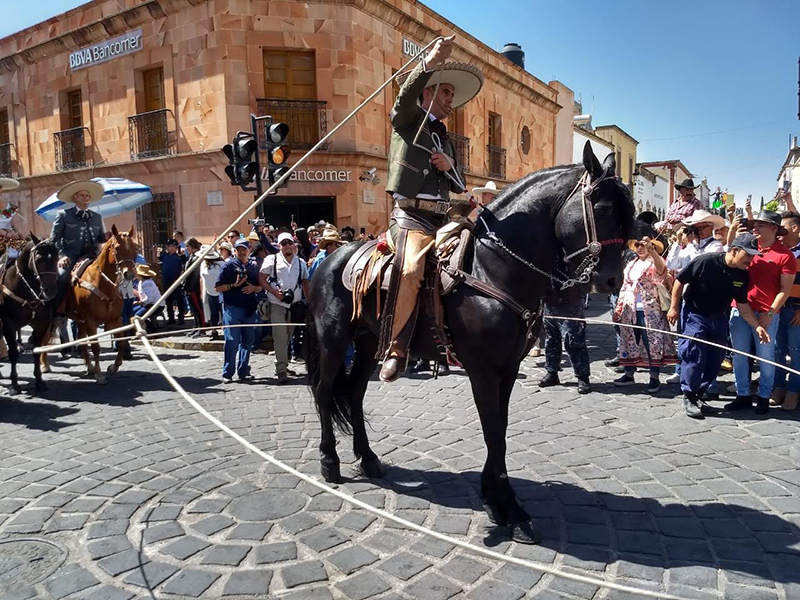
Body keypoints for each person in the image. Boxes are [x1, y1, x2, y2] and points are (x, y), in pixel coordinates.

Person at [378, 35, 483, 382]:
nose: (451, 99)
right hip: (411, 216)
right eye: (444, 92)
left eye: (452, 94)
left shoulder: (445, 136)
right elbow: (402, 100)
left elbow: (457, 183)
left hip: (443, 217)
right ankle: (395, 349)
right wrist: (431, 62)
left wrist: (447, 163)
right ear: (427, 93)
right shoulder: (408, 121)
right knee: (409, 270)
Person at [667, 233, 766, 418]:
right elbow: (680, 281)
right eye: (749, 255)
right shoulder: (706, 261)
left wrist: (757, 326)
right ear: (735, 250)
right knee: (694, 354)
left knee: (715, 359)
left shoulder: (742, 275)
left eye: (754, 256)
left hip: (719, 318)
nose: (751, 260)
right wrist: (673, 307)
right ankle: (688, 395)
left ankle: (698, 394)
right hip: (695, 314)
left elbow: (743, 307)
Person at [727, 210, 795, 415]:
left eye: (760, 225)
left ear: (774, 228)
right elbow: (729, 253)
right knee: (739, 355)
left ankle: (764, 396)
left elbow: (785, 289)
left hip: (767, 314)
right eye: (754, 224)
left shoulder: (785, 255)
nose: (754, 228)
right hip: (739, 309)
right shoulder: (747, 247)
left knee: (766, 356)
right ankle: (743, 395)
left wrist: (771, 313)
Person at [612, 237, 677, 393]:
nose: (640, 247)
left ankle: (654, 376)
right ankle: (629, 373)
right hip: (630, 308)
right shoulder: (631, 264)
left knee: (652, 342)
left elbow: (662, 271)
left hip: (650, 309)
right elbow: (625, 286)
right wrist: (619, 307)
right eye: (637, 245)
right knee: (629, 339)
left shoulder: (655, 260)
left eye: (643, 245)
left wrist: (653, 252)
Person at [50, 180, 107, 352]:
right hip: (71, 255)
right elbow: (54, 240)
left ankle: (110, 308)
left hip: (92, 256)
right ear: (75, 197)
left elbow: (99, 239)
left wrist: (106, 238)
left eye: (88, 195)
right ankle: (58, 312)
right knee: (61, 277)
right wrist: (61, 256)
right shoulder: (63, 215)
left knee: (110, 277)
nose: (86, 197)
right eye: (82, 195)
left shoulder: (97, 217)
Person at [259, 231, 310, 383]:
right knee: (280, 338)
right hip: (277, 304)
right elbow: (261, 278)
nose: (287, 246)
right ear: (279, 246)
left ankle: (283, 364)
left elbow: (305, 282)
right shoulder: (271, 259)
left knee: (287, 337)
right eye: (284, 243)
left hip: (295, 306)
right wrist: (274, 291)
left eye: (289, 243)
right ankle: (281, 370)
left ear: (293, 245)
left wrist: (310, 303)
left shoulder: (300, 263)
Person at [215, 239, 262, 383]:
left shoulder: (254, 267)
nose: (242, 252)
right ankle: (227, 373)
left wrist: (254, 288)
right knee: (231, 341)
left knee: (248, 341)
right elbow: (218, 287)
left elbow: (260, 286)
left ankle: (243, 370)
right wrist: (233, 285)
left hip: (249, 308)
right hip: (232, 308)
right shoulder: (228, 266)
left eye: (244, 249)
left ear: (249, 251)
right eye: (239, 250)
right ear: (235, 251)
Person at [770, 211, 800, 411]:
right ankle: (779, 387)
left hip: (796, 311)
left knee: (796, 353)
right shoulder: (780, 252)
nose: (779, 233)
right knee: (777, 351)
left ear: (795, 228)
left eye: (783, 228)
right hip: (778, 309)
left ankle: (794, 391)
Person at [538, 289, 592, 394]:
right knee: (551, 340)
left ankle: (583, 377)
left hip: (571, 304)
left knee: (574, 340)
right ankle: (552, 372)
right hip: (550, 304)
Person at [182, 237, 206, 337]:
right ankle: (196, 327)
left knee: (198, 309)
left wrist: (189, 288)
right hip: (189, 288)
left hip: (194, 288)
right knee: (194, 309)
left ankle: (202, 329)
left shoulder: (197, 258)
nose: (186, 248)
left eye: (187, 246)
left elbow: (195, 275)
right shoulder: (192, 256)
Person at [159, 239, 185, 325]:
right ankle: (171, 318)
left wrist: (182, 255)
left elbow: (184, 263)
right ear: (168, 247)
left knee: (179, 300)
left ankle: (181, 317)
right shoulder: (164, 256)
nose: (173, 248)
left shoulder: (179, 256)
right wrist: (155, 251)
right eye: (172, 246)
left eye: (175, 246)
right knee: (168, 301)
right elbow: (156, 259)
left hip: (176, 282)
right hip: (166, 281)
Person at [199, 245, 223, 340]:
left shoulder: (221, 264)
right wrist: (202, 292)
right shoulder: (203, 265)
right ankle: (214, 331)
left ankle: (227, 331)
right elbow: (202, 278)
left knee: (223, 312)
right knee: (213, 313)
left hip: (220, 292)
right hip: (209, 291)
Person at [132, 264, 162, 333]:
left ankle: (152, 330)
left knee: (138, 315)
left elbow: (149, 299)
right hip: (147, 304)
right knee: (132, 311)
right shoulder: (141, 282)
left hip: (155, 305)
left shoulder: (147, 283)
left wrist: (139, 302)